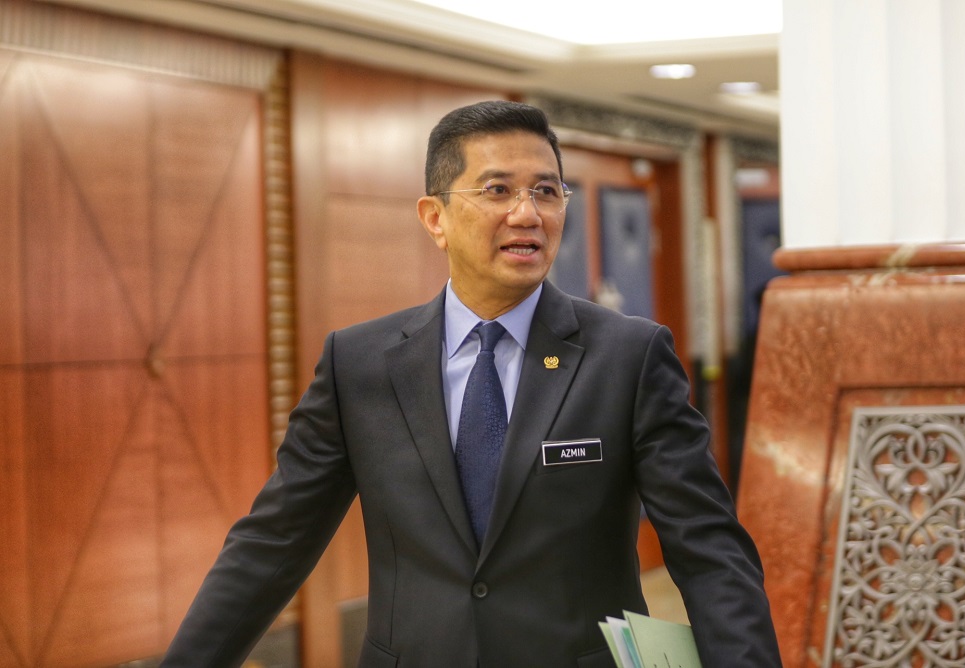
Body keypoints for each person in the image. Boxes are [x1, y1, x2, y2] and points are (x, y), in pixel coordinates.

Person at [161, 100, 782, 667]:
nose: (527, 213)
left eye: (547, 190)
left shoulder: (628, 356)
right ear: (436, 218)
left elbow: (709, 551)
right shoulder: (360, 364)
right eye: (498, 190)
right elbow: (275, 541)